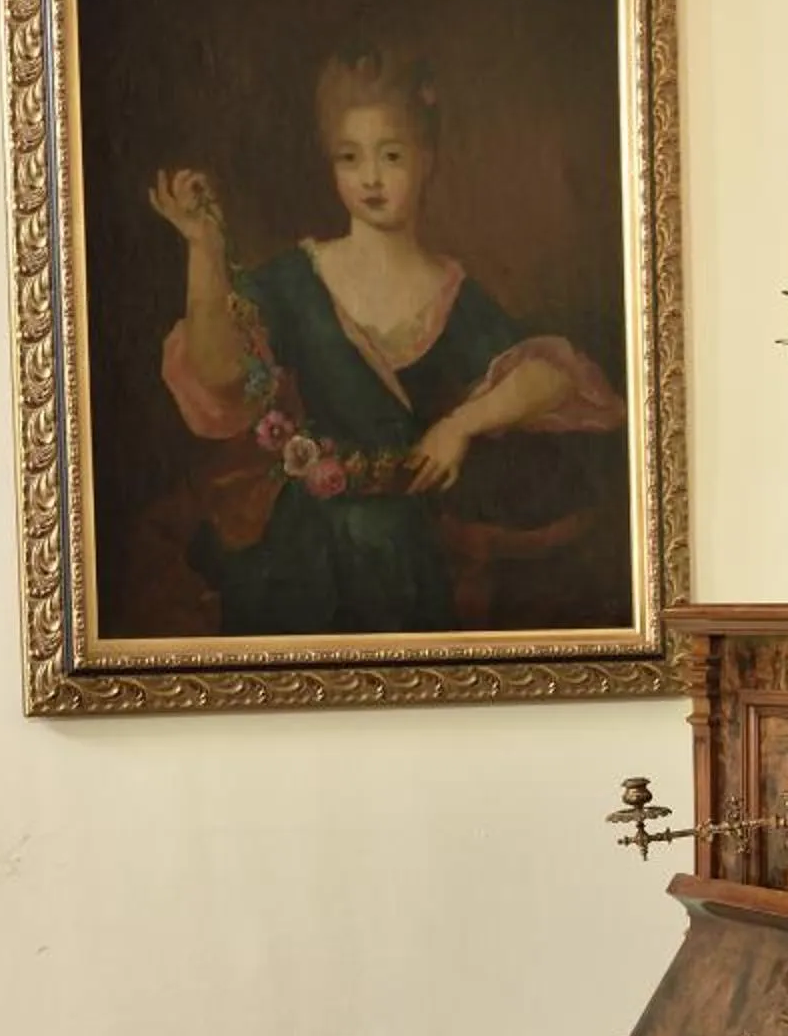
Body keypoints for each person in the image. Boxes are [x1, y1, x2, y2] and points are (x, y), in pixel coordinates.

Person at [151, 42, 624, 634]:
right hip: (293, 555)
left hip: (402, 555)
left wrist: (459, 426)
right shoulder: (295, 278)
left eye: (391, 156)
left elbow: (552, 374)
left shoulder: (453, 292)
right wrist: (204, 249)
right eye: (350, 158)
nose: (370, 179)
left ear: (427, 159)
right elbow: (217, 372)